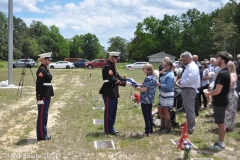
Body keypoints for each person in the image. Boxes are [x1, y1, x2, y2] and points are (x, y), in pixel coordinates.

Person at [205, 51, 230, 151]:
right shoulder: (225, 72)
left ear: (222, 60)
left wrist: (208, 94)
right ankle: (220, 142)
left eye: (218, 58)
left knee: (220, 123)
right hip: (221, 100)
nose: (216, 60)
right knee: (220, 122)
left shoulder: (223, 73)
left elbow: (218, 90)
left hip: (220, 101)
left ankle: (220, 144)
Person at [99, 52, 126, 135]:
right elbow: (113, 79)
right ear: (111, 58)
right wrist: (123, 83)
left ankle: (111, 127)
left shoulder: (112, 66)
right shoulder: (108, 67)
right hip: (108, 91)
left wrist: (128, 80)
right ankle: (107, 129)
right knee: (109, 111)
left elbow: (118, 76)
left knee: (113, 111)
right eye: (116, 58)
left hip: (113, 91)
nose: (117, 60)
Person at [176, 51, 200, 134]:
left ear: (189, 59)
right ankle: (189, 125)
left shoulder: (192, 67)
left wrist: (180, 83)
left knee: (189, 109)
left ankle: (190, 128)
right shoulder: (189, 66)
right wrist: (181, 80)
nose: (183, 61)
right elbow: (187, 78)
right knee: (188, 109)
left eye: (184, 60)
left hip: (189, 89)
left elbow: (190, 80)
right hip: (186, 89)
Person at [133, 64, 157, 136]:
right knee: (149, 115)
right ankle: (150, 129)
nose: (143, 70)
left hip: (145, 99)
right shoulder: (153, 77)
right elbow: (146, 86)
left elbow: (144, 90)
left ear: (147, 70)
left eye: (144, 69)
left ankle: (147, 131)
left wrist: (135, 87)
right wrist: (138, 84)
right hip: (150, 99)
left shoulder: (148, 78)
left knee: (146, 115)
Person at [36, 52, 54, 140]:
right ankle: (41, 135)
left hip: (47, 94)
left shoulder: (45, 69)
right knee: (42, 115)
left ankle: (44, 133)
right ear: (44, 60)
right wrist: (39, 98)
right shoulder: (41, 70)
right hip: (43, 95)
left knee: (45, 115)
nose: (50, 61)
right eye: (48, 59)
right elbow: (39, 85)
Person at [158, 60, 175, 133]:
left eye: (165, 66)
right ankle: (162, 125)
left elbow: (168, 86)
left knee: (165, 110)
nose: (163, 68)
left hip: (167, 93)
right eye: (163, 66)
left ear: (169, 66)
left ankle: (168, 127)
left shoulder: (170, 75)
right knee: (160, 109)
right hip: (162, 93)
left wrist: (160, 85)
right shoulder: (165, 73)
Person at [225, 61, 238, 131]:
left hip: (231, 94)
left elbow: (231, 84)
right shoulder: (228, 74)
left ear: (232, 67)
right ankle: (227, 125)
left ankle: (228, 126)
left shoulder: (232, 74)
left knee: (230, 110)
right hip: (228, 93)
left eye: (228, 66)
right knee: (227, 110)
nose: (227, 67)